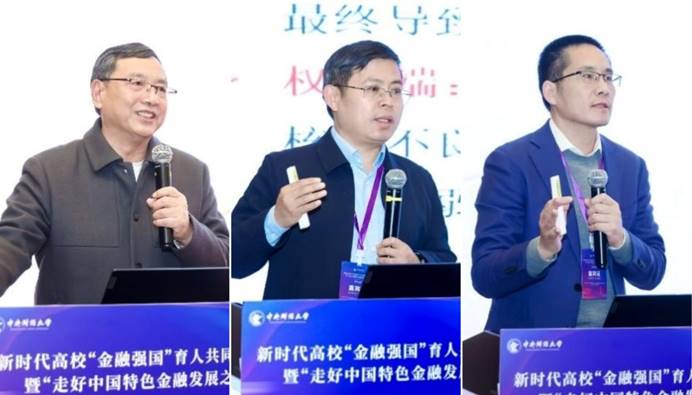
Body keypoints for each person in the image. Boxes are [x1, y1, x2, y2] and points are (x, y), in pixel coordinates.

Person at [0, 42, 229, 304]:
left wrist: (188, 232)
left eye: (160, 89)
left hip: (169, 331)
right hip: (77, 331)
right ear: (98, 92)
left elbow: (226, 266)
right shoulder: (49, 172)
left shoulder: (193, 172)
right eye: (137, 83)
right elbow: (10, 247)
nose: (152, 98)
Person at [471, 35, 665, 333]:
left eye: (608, 77)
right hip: (537, 348)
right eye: (588, 76)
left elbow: (653, 272)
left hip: (610, 347)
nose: (603, 87)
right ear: (551, 91)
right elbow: (485, 275)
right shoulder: (512, 161)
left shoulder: (630, 166)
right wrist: (542, 248)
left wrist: (620, 238)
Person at [232, 40, 455, 299]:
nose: (388, 101)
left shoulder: (416, 179)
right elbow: (235, 261)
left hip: (391, 322)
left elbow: (444, 261)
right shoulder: (285, 168)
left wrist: (418, 264)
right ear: (333, 97)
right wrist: (277, 219)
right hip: (307, 324)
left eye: (396, 90)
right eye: (373, 89)